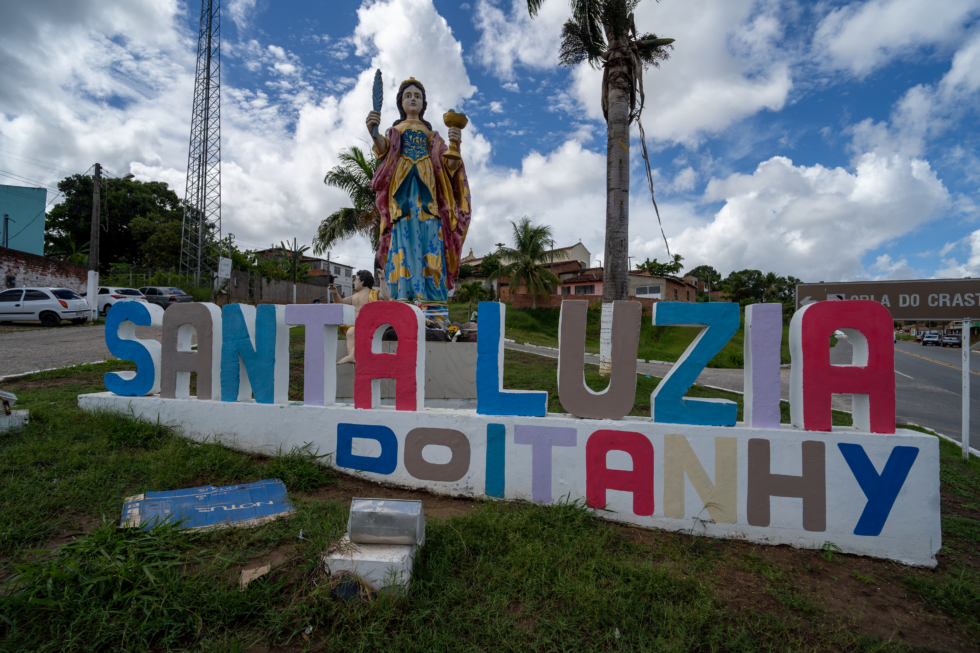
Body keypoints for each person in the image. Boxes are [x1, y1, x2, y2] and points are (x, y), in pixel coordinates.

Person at [366, 77, 471, 329]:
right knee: (403, 244)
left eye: (417, 96)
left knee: (430, 243)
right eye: (408, 96)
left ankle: (434, 311)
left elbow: (450, 166)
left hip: (429, 199)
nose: (413, 98)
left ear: (423, 103)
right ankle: (403, 305)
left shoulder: (432, 135)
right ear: (401, 103)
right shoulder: (396, 131)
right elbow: (383, 150)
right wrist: (373, 130)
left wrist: (455, 142)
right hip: (401, 199)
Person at [330, 269, 389, 365]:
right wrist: (335, 294)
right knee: (350, 332)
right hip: (356, 325)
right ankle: (353, 357)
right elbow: (340, 303)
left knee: (353, 332)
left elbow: (386, 297)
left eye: (356, 280)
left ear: (362, 281)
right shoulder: (354, 296)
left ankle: (353, 356)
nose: (354, 282)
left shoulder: (373, 293)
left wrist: (382, 279)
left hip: (369, 324)